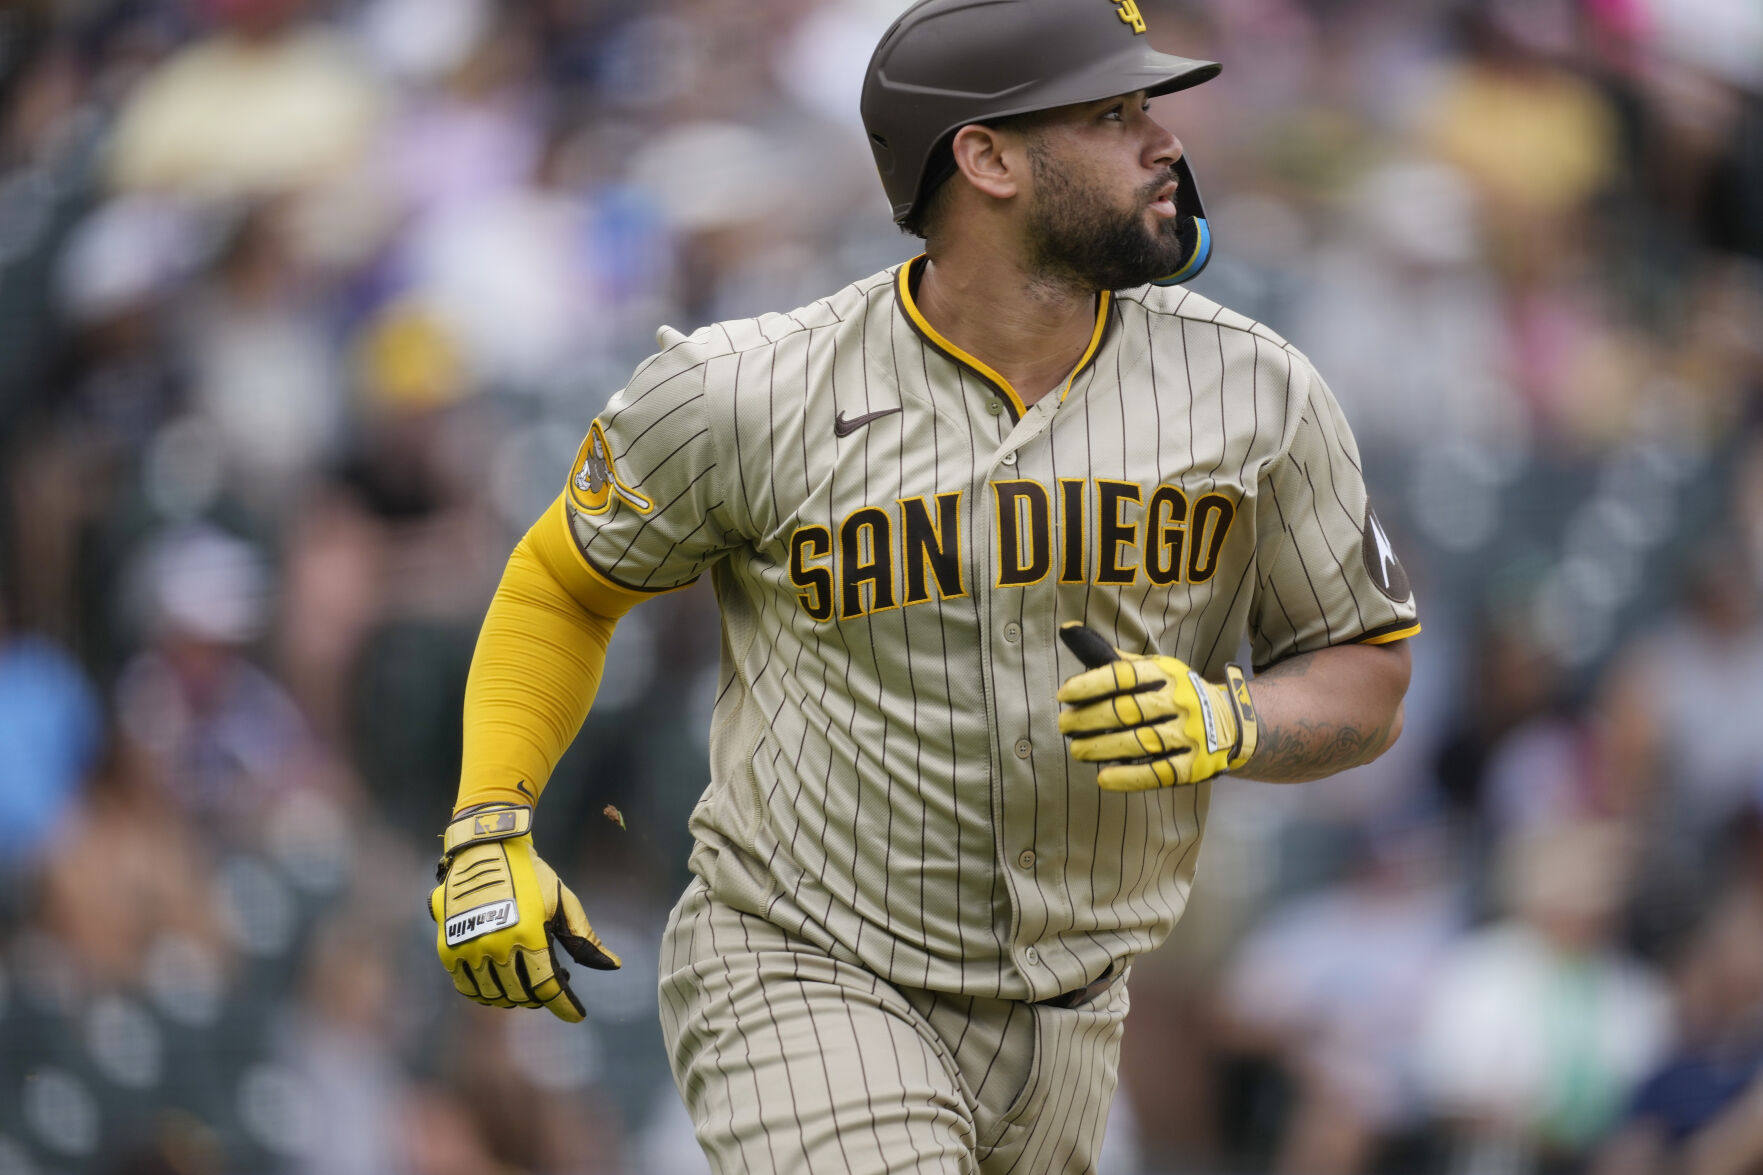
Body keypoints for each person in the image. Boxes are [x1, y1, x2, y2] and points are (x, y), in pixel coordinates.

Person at [428, 0, 1419, 1170]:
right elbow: (561, 582)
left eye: (1150, 108)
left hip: (1074, 1013)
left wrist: (1229, 717)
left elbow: (1366, 670)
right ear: (985, 156)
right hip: (803, 964)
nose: (1165, 144)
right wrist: (487, 819)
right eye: (1112, 115)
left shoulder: (1260, 392)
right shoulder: (748, 391)